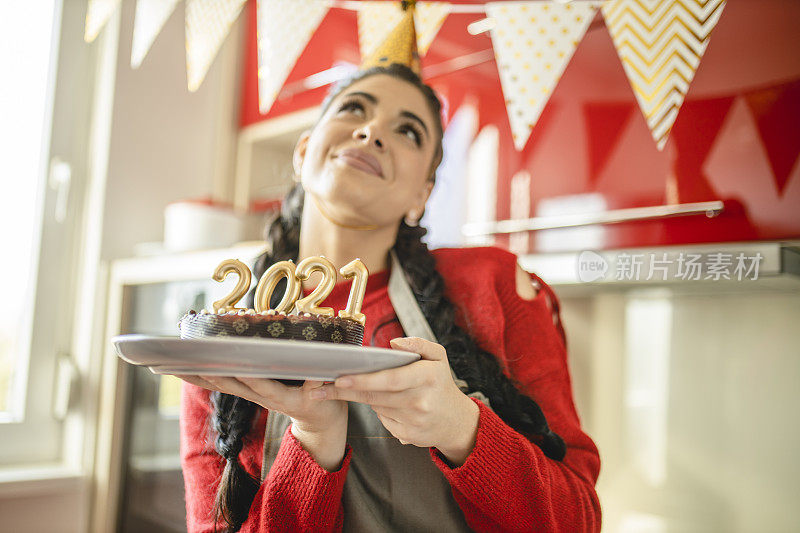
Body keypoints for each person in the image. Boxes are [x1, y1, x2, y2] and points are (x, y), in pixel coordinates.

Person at [178, 7, 600, 532]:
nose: (373, 132)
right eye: (355, 108)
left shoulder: (494, 285)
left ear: (422, 195)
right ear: (305, 149)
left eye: (408, 131)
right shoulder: (223, 349)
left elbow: (577, 519)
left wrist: (459, 425)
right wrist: (313, 437)